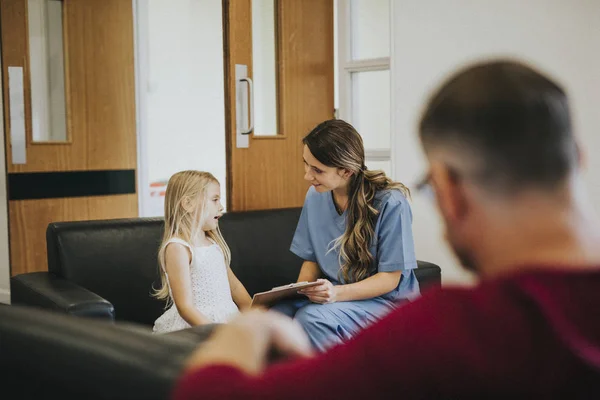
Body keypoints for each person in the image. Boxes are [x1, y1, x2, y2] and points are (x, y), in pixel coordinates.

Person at [171, 60, 600, 398]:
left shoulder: (448, 333)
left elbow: (208, 394)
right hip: (330, 301)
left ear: (448, 189)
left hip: (362, 305)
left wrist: (249, 330)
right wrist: (293, 294)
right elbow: (309, 258)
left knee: (305, 320)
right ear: (577, 161)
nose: (308, 177)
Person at [270, 119, 420, 351]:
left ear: (347, 171)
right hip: (337, 296)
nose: (307, 176)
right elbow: (312, 257)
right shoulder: (315, 195)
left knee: (312, 318)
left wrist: (335, 294)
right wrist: (300, 289)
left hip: (386, 302)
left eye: (317, 170)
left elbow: (390, 279)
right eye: (306, 164)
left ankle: (341, 383)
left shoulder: (391, 202)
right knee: (275, 317)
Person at [152, 170, 251, 333]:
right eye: (215, 200)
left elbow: (235, 288)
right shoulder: (178, 247)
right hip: (196, 328)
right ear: (188, 204)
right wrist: (215, 333)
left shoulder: (213, 243)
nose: (221, 206)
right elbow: (185, 307)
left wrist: (255, 314)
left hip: (228, 320)